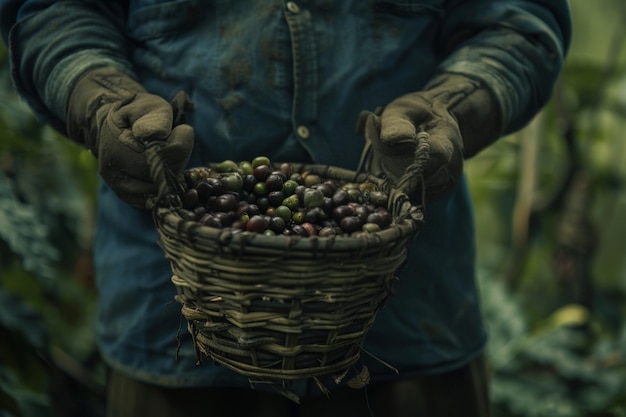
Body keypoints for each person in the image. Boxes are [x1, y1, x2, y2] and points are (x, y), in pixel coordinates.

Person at [0, 1, 571, 416]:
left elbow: (517, 20)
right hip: (175, 330)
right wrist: (103, 101)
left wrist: (453, 106)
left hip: (407, 333)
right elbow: (54, 11)